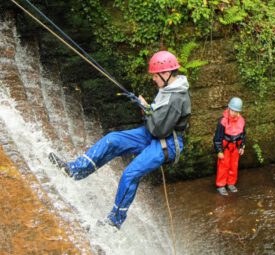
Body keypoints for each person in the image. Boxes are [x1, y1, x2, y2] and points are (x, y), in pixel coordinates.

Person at [49, 51, 191, 229]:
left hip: (166, 143)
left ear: (166, 74)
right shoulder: (168, 89)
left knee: (130, 174)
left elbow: (159, 129)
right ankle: (76, 170)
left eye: (155, 76)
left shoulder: (177, 98)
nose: (153, 79)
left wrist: (146, 109)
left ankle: (114, 221)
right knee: (113, 139)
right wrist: (148, 108)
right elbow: (157, 116)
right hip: (154, 134)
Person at [213, 97, 246, 196]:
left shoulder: (241, 121)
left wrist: (242, 146)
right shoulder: (222, 121)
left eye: (236, 111)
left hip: (235, 147)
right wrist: (219, 151)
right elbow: (217, 138)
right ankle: (221, 185)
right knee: (223, 166)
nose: (233, 113)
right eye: (232, 110)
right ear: (229, 108)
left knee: (234, 165)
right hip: (225, 148)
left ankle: (231, 183)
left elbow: (243, 135)